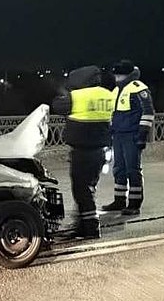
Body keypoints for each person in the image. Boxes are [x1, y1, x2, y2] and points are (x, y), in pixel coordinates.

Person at [50, 65, 116, 238]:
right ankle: (83, 224)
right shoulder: (108, 95)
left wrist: (63, 92)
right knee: (89, 188)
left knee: (81, 190)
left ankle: (90, 229)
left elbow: (56, 105)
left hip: (83, 151)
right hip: (101, 150)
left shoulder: (77, 96)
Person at [104, 60, 155, 216]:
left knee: (133, 170)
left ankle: (134, 203)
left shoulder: (139, 88)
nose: (116, 78)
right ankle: (119, 201)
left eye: (118, 75)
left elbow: (148, 113)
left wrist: (142, 135)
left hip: (132, 135)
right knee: (119, 169)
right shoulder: (116, 90)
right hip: (118, 135)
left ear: (125, 75)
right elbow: (113, 114)